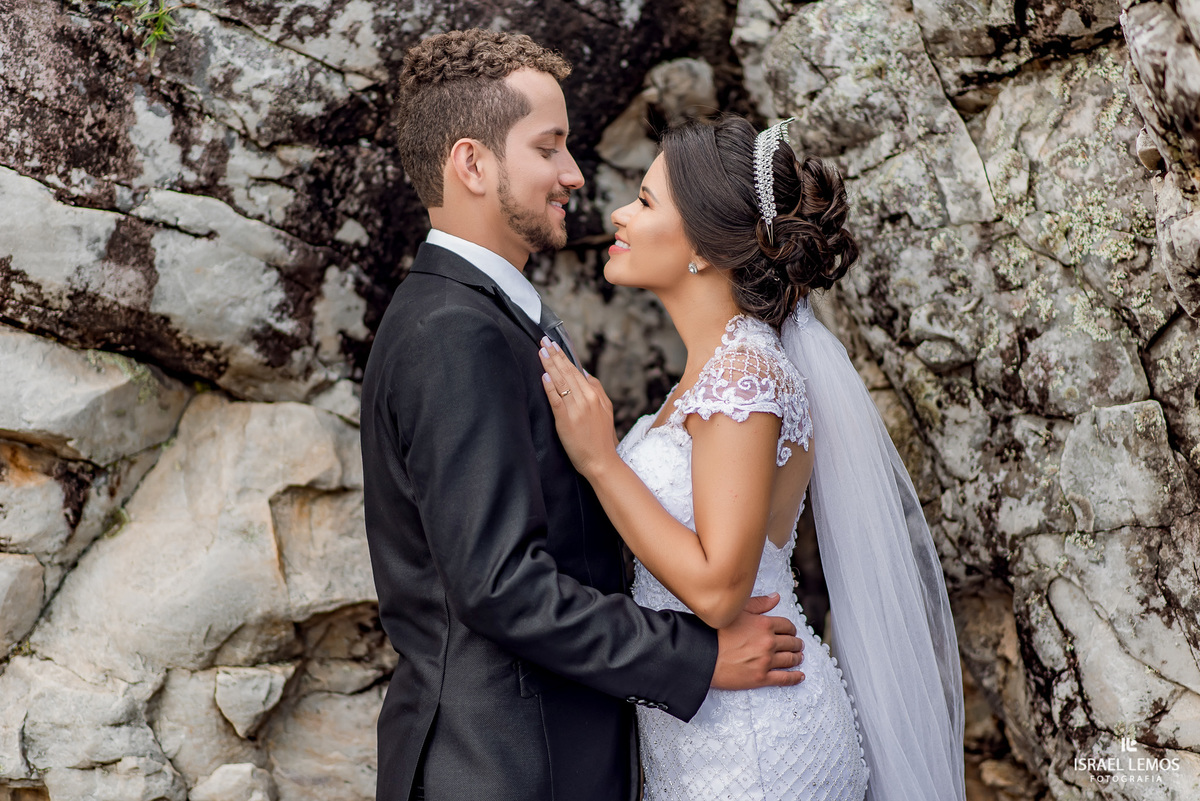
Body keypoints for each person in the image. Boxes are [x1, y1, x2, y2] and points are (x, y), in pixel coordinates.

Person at [360, 31, 807, 801]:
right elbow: (500, 584)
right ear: (473, 163)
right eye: (549, 148)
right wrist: (693, 657)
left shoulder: (493, 313)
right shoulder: (451, 332)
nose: (575, 175)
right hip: (502, 766)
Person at [538, 115, 966, 801]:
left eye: (645, 202)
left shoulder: (745, 375)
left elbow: (717, 590)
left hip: (759, 748)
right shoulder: (711, 374)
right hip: (711, 723)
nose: (618, 213)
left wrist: (601, 461)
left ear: (704, 248)